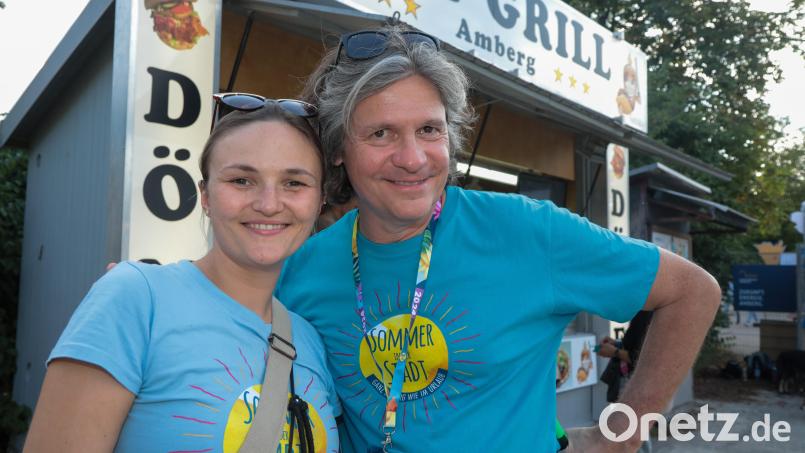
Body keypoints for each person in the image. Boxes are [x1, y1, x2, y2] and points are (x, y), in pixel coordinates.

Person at [276, 24, 721, 452]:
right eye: (380, 133)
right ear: (336, 148)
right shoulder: (299, 272)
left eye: (429, 129)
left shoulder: (528, 232)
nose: (412, 159)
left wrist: (620, 438)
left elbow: (692, 293)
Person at [23, 97, 341, 452]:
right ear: (205, 195)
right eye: (241, 180)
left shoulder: (310, 341)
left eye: (294, 183)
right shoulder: (136, 299)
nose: (268, 203)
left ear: (320, 201)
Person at [598, 311, 654, 452]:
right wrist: (616, 344)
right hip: (633, 380)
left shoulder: (647, 313)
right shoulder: (644, 311)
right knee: (634, 430)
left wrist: (614, 352)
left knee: (630, 432)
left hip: (633, 381)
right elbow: (635, 345)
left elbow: (642, 357)